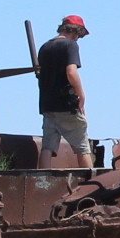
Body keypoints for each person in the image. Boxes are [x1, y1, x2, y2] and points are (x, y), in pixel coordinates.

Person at [36, 14, 91, 164]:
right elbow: (71, 72)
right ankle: (91, 183)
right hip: (66, 104)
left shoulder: (45, 47)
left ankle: (42, 181)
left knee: (47, 146)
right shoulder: (70, 45)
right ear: (76, 31)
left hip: (47, 104)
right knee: (82, 146)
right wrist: (81, 96)